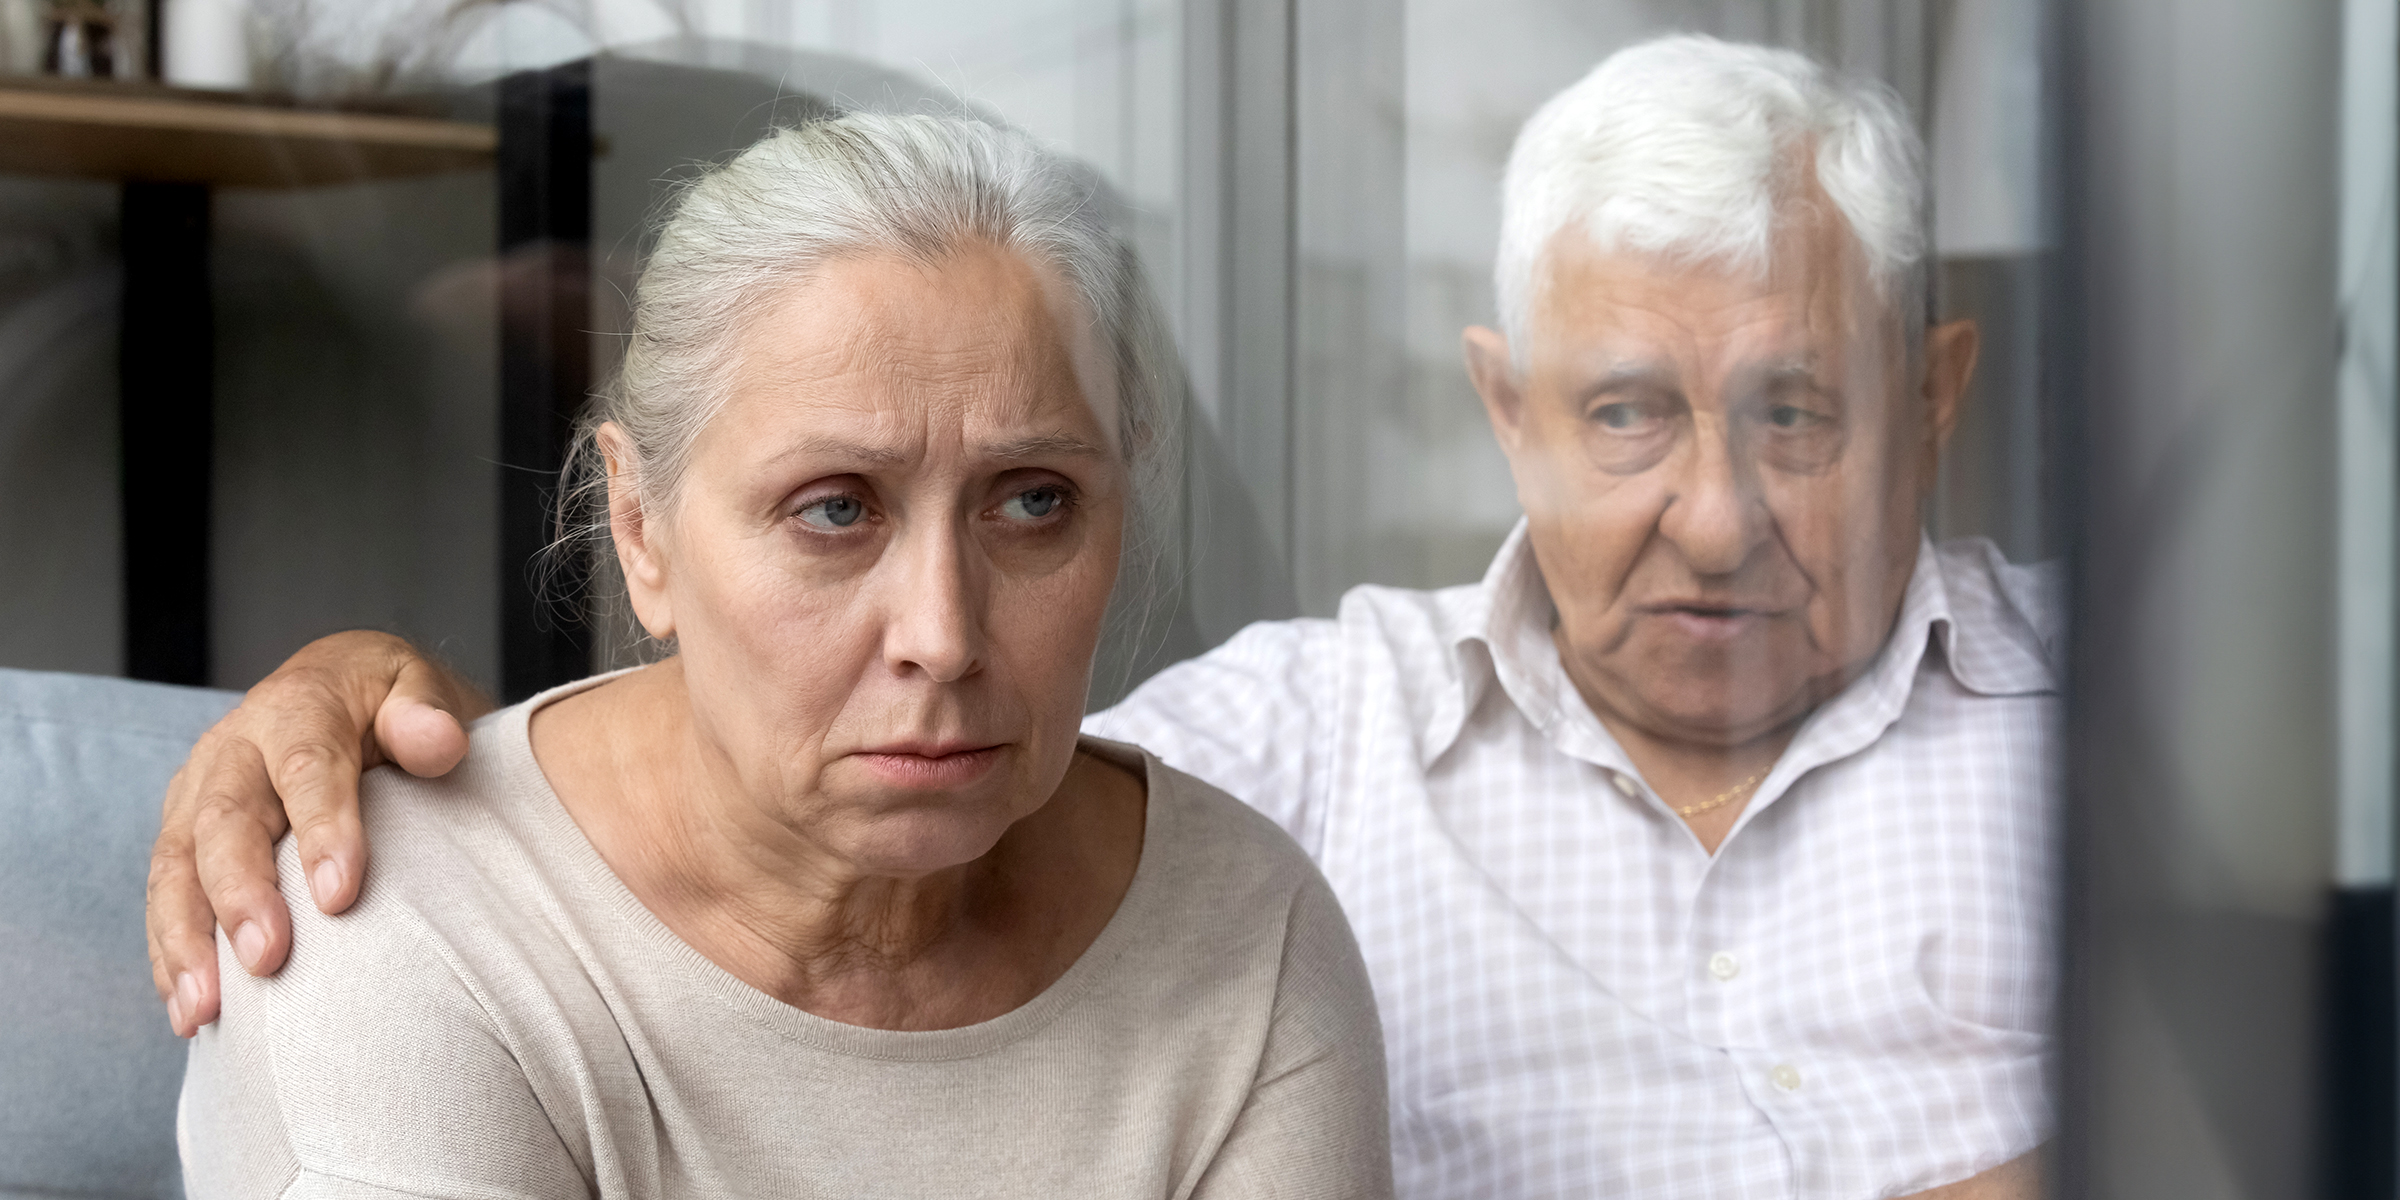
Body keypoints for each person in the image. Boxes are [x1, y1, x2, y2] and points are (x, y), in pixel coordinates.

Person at [152, 36, 2053, 1200]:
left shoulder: (2166, 744)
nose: (949, 635)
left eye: (1796, 411)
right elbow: (688, 845)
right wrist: (341, 701)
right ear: (1510, 410)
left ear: (1936, 398)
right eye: (1630, 411)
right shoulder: (1306, 758)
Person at [171, 111, 1391, 1198]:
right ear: (641, 531)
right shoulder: (400, 947)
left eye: (1031, 503)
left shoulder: (1238, 928)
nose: (944, 638)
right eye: (835, 509)